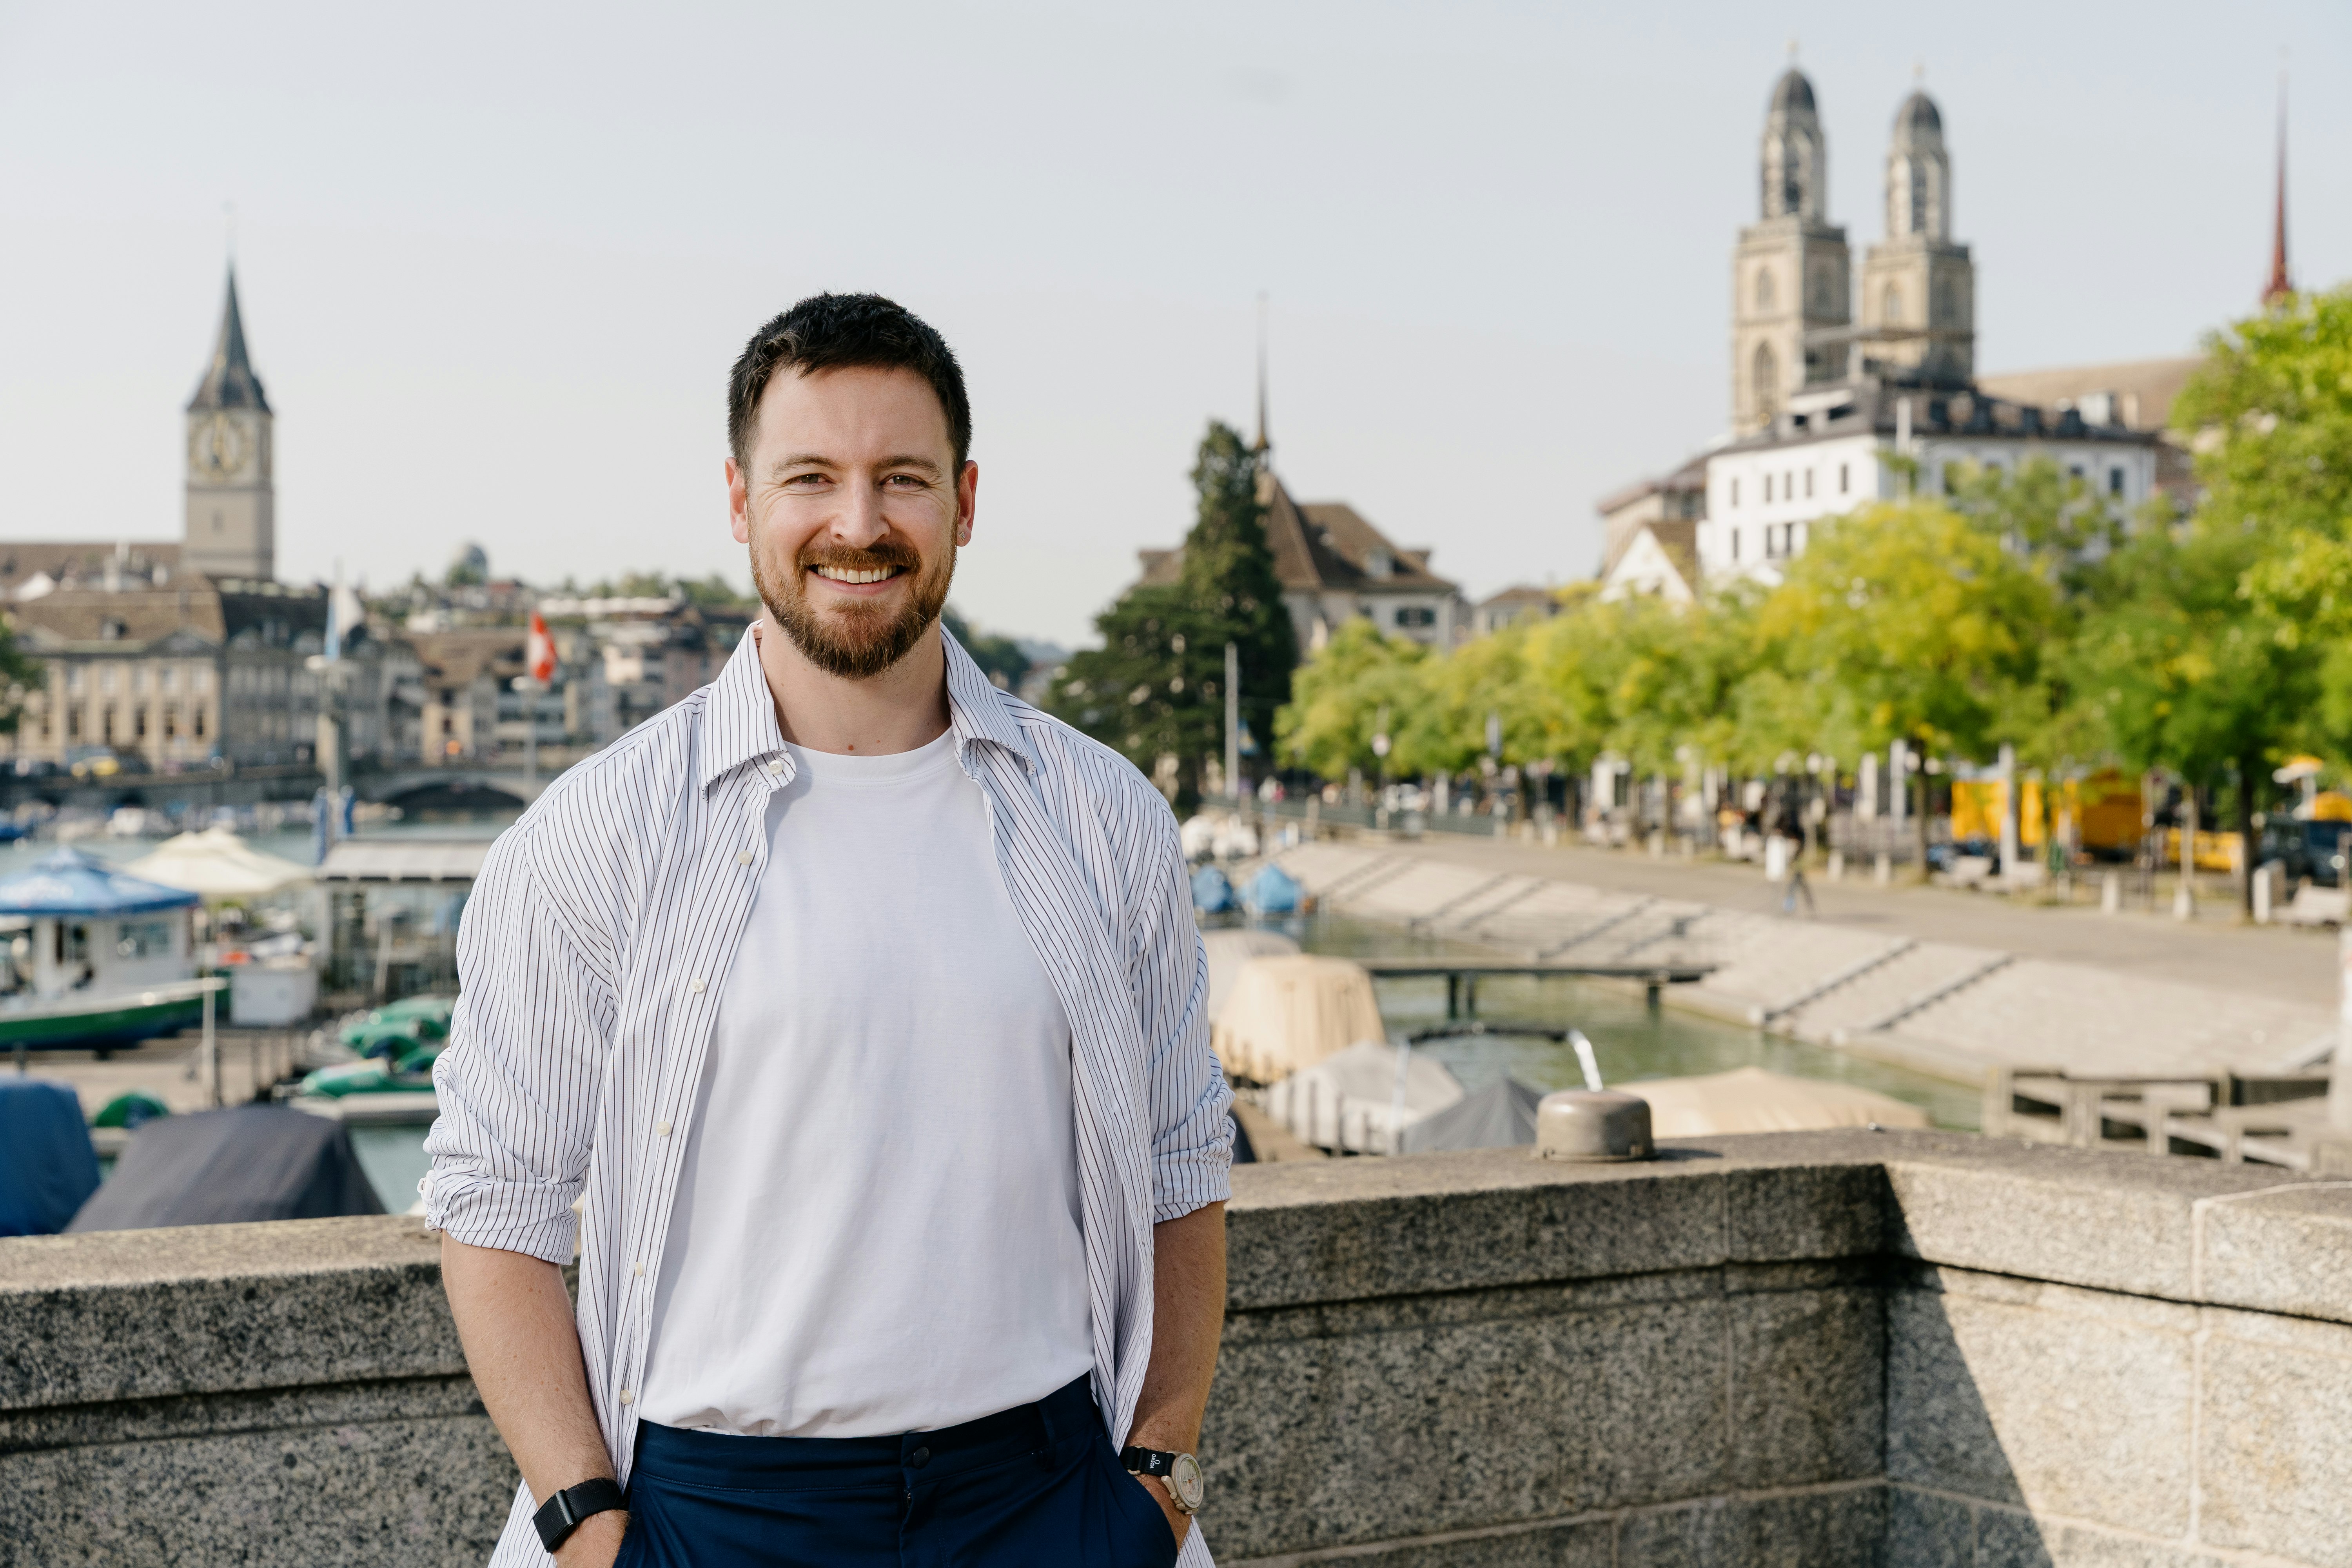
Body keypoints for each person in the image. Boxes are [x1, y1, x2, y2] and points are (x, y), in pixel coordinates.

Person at [425, 294, 1234, 1568]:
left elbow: (1185, 1168)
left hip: (1048, 1494)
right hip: (709, 1508)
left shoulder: (1105, 816)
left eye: (900, 478)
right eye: (811, 477)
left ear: (964, 503)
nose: (858, 525)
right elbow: (495, 1204)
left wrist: (1157, 1480)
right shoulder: (596, 833)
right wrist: (587, 1525)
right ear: (743, 506)